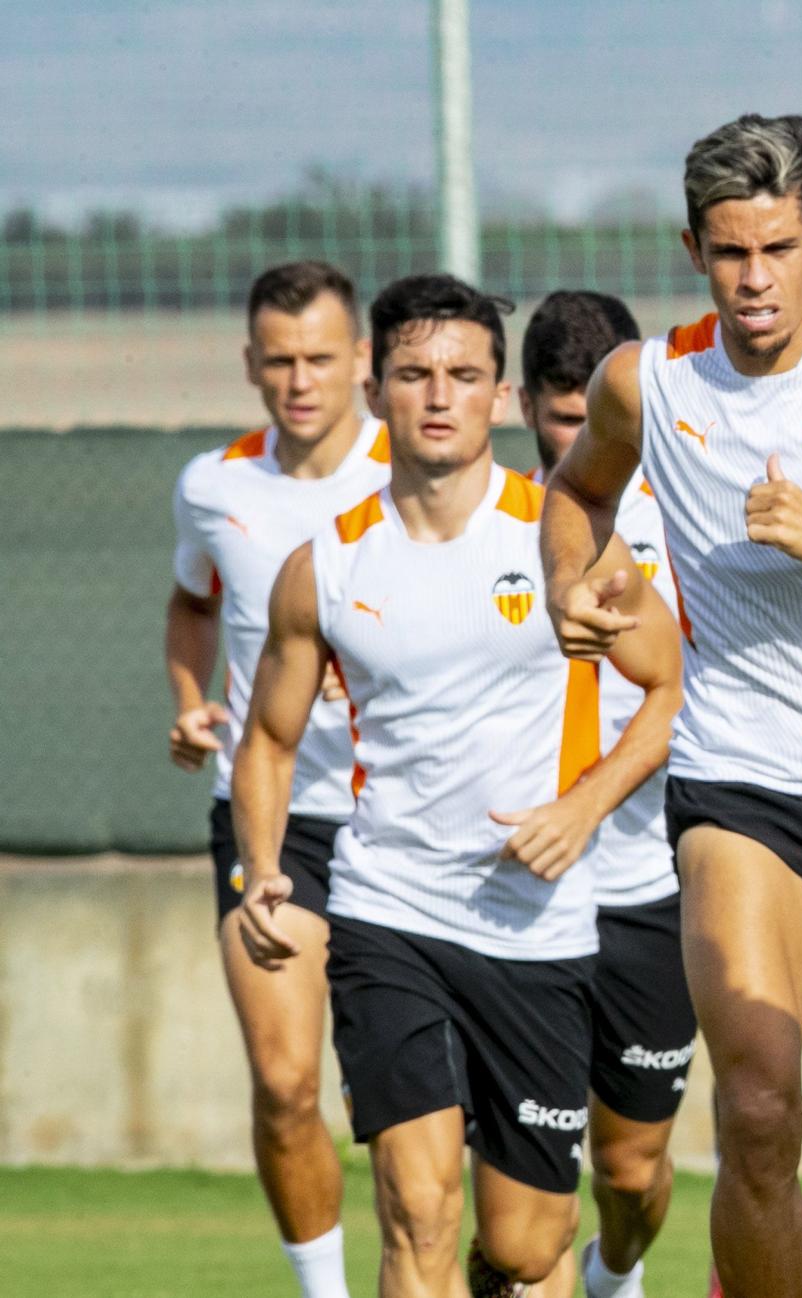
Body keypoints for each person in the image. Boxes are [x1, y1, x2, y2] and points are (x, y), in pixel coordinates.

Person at [539, 114, 802, 1298]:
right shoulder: (649, 379)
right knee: (759, 1105)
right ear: (693, 248)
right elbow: (575, 492)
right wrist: (573, 583)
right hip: (737, 786)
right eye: (729, 252)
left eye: (777, 247)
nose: (754, 278)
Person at [232, 273, 683, 1298]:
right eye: (414, 374)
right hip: (389, 911)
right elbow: (265, 737)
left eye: (464, 375)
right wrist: (262, 867)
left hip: (537, 928)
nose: (439, 395)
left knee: (527, 1246)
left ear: (500, 397)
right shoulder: (327, 566)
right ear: (377, 388)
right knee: (418, 1206)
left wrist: (584, 806)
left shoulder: (569, 540)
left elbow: (663, 687)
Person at [166, 259, 387, 1298]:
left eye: (320, 358)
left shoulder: (422, 471)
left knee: (403, 1096)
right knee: (288, 1082)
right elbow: (192, 602)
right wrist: (187, 693)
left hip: (406, 821)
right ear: (251, 364)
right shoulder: (214, 486)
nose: (300, 380)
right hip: (270, 819)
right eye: (280, 360)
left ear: (363, 359)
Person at [518, 290, 698, 1298]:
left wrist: (585, 806)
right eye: (558, 414)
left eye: (593, 415)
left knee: (629, 1172)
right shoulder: (499, 524)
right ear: (526, 406)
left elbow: (687, 695)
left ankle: (614, 1274)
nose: (577, 438)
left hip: (644, 882)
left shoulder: (680, 520)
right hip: (515, 899)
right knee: (519, 1201)